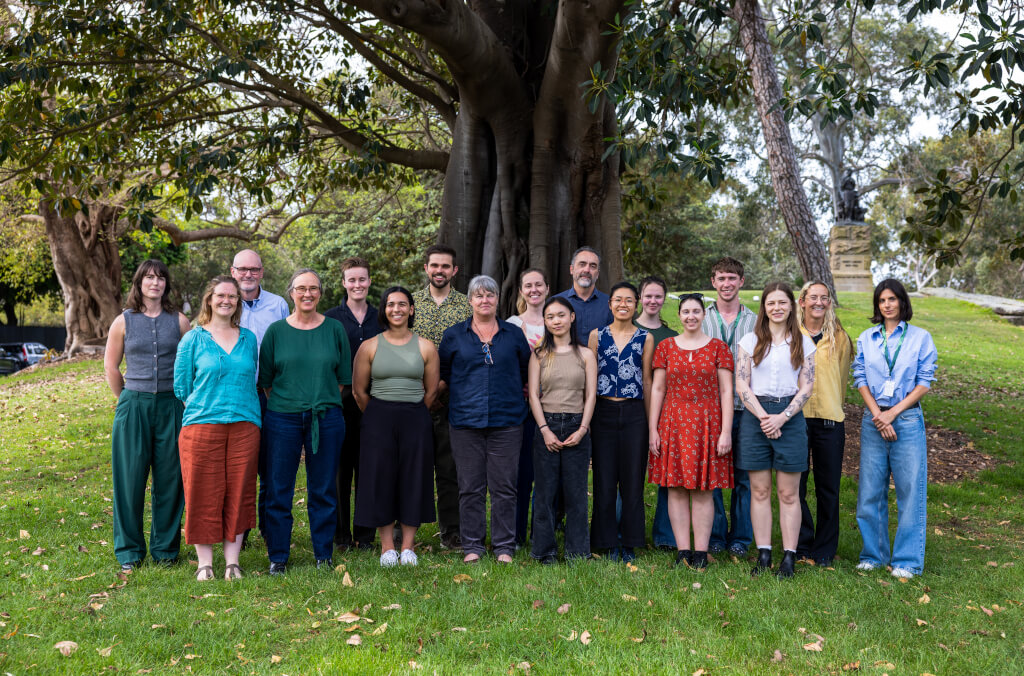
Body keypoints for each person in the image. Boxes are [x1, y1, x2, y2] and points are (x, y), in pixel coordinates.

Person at [258, 269, 351, 574]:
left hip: (325, 417)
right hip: (281, 418)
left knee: (323, 488)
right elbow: (267, 381)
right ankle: (278, 556)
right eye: (301, 288)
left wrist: (317, 399)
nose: (307, 294)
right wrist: (291, 404)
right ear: (291, 293)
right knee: (278, 488)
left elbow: (341, 379)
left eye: (313, 289)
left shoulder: (334, 329)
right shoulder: (276, 332)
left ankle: (323, 553)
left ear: (320, 293)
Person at [103, 260, 192, 572]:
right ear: (139, 283)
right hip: (133, 404)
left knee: (171, 478)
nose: (155, 283)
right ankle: (129, 551)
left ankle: (166, 550)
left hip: (172, 405)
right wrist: (126, 400)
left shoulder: (180, 321)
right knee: (129, 479)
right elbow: (112, 367)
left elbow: (190, 365)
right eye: (149, 278)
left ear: (166, 284)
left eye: (160, 278)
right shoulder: (123, 322)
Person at [173, 276, 261, 580]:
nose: (227, 300)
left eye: (233, 296)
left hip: (245, 425)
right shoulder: (193, 339)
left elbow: (251, 379)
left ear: (238, 302)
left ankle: (233, 563)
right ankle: (205, 564)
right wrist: (207, 409)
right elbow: (182, 387)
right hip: (201, 426)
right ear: (209, 299)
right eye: (221, 295)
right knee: (202, 492)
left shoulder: (248, 338)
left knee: (239, 491)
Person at [439, 275, 531, 563]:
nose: (485, 300)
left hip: (507, 421)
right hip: (466, 421)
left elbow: (525, 371)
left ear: (497, 299)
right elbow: (444, 375)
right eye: (478, 296)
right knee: (470, 486)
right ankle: (473, 547)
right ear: (470, 301)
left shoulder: (513, 335)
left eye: (490, 295)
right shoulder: (454, 335)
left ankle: (504, 546)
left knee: (504, 486)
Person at [853, 279, 937, 579]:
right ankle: (873, 555)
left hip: (907, 420)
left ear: (902, 301)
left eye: (892, 299)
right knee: (870, 492)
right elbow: (860, 377)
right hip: (873, 420)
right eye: (882, 300)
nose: (887, 304)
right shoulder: (867, 337)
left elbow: (924, 382)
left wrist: (893, 414)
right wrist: (879, 415)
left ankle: (906, 561)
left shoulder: (921, 338)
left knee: (910, 491)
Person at [352, 287, 440, 568]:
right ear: (384, 309)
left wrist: (410, 412)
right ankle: (387, 547)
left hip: (416, 416)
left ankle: (408, 547)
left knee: (414, 477)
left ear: (412, 310)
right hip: (378, 416)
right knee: (381, 478)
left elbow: (432, 391)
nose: (397, 309)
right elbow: (358, 391)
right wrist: (382, 414)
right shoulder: (370, 346)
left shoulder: (426, 346)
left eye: (403, 304)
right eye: (391, 305)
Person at [734, 282, 816, 578]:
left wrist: (781, 417)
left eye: (782, 303)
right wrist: (763, 417)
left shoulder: (803, 342)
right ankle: (764, 553)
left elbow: (807, 385)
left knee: (788, 493)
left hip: (790, 418)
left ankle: (789, 557)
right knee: (759, 490)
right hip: (755, 419)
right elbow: (741, 384)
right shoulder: (749, 340)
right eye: (771, 303)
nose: (777, 308)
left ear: (792, 306)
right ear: (764, 307)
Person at [648, 293, 734, 570]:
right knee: (674, 488)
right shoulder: (666, 347)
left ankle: (701, 552)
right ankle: (683, 550)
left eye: (696, 311)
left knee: (703, 490)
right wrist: (653, 429)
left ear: (704, 314)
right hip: (672, 422)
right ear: (680, 315)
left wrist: (726, 431)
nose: (691, 316)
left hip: (707, 424)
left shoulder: (718, 348)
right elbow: (658, 389)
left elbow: (726, 391)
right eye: (686, 312)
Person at [527, 296, 597, 563]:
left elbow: (590, 395)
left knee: (576, 492)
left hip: (576, 424)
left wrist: (582, 429)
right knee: (545, 491)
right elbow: (533, 395)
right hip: (548, 423)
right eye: (550, 317)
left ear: (572, 317)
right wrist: (544, 429)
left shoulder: (586, 354)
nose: (556, 321)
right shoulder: (540, 354)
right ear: (545, 322)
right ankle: (544, 551)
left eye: (560, 315)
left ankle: (578, 551)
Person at [587, 281, 654, 563]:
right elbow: (590, 380)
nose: (623, 304)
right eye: (617, 299)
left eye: (628, 300)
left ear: (636, 304)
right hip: (603, 412)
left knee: (632, 480)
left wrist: (652, 425)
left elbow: (647, 380)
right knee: (604, 479)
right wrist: (586, 422)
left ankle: (630, 541)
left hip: (635, 414)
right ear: (610, 304)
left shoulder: (645, 338)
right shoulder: (596, 335)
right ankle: (606, 540)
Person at [413, 244, 473, 551]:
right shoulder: (409, 304)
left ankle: (452, 531)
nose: (439, 271)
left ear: (454, 271)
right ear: (426, 268)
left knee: (450, 469)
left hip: (452, 398)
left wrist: (441, 388)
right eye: (434, 265)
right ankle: (402, 527)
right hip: (413, 398)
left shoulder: (467, 306)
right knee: (409, 467)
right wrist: (425, 392)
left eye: (445, 266)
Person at [230, 249, 288, 546]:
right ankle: (239, 528)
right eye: (242, 269)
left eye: (254, 269)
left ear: (262, 272)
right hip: (235, 396)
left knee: (270, 464)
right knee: (240, 466)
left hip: (269, 396)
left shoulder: (278, 305)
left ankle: (267, 527)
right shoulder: (224, 304)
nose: (248, 274)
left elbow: (289, 346)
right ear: (233, 272)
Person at [324, 257, 381, 552]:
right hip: (340, 403)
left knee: (369, 469)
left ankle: (366, 534)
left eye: (362, 279)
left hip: (376, 404)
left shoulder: (381, 317)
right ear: (344, 283)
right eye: (352, 280)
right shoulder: (331, 318)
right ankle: (341, 535)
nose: (357, 284)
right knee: (340, 472)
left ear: (369, 281)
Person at [702, 257, 757, 557]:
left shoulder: (755, 320)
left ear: (741, 282)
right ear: (713, 282)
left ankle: (742, 538)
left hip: (745, 408)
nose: (726, 284)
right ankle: (715, 534)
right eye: (721, 278)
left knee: (744, 475)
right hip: (710, 408)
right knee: (713, 474)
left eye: (732, 278)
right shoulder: (702, 317)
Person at [795, 281, 853, 567]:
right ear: (802, 301)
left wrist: (833, 405)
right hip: (797, 419)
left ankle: (825, 549)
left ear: (829, 303)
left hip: (830, 419)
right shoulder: (792, 334)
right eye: (813, 297)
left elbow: (842, 380)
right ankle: (802, 543)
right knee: (797, 486)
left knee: (828, 487)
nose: (819, 302)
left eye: (824, 298)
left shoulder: (840, 337)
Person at [635, 276, 680, 550]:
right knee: (629, 475)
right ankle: (627, 532)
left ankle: (665, 535)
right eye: (648, 296)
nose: (653, 301)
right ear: (640, 297)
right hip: (630, 412)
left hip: (665, 415)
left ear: (664, 299)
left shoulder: (671, 337)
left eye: (658, 296)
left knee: (667, 475)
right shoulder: (628, 329)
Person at [507, 268, 550, 549]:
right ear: (521, 291)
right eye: (528, 285)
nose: (534, 290)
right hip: (522, 408)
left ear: (547, 288)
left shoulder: (557, 319)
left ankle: (542, 532)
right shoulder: (511, 325)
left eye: (539, 284)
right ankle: (517, 533)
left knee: (546, 475)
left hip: (554, 407)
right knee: (522, 474)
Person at [555, 246, 613, 345]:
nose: (587, 270)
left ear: (597, 274)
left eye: (593, 266)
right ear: (571, 269)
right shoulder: (556, 302)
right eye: (582, 264)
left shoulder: (610, 304)